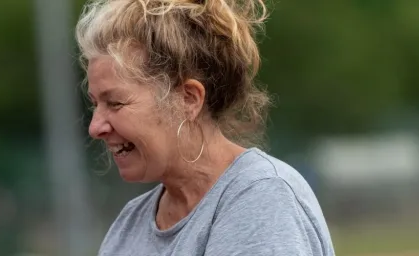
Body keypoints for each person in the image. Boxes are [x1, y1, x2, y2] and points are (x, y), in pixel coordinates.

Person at [76, 0, 334, 255]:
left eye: (115, 103)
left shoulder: (261, 198)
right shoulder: (130, 224)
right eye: (96, 104)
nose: (95, 127)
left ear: (188, 99)